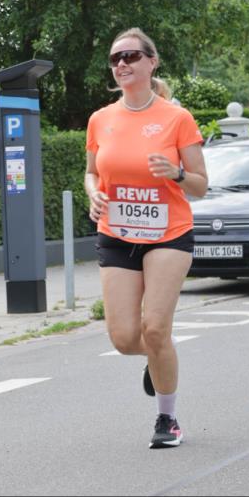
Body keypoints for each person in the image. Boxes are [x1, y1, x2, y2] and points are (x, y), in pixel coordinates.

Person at [85, 27, 207, 448]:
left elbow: (201, 185)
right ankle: (158, 358)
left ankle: (167, 420)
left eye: (132, 56)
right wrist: (92, 195)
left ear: (152, 62)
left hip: (168, 233)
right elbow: (91, 173)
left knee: (155, 328)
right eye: (116, 58)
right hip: (116, 233)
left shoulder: (177, 118)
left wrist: (174, 172)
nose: (122, 64)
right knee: (123, 340)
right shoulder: (100, 119)